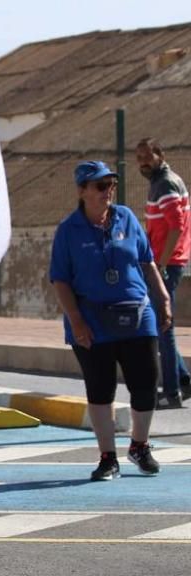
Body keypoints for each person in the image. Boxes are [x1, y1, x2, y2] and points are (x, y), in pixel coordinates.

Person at [49, 160, 169, 481]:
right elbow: (60, 280)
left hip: (137, 314)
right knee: (100, 389)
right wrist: (76, 321)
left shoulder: (126, 218)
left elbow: (147, 261)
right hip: (92, 320)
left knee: (146, 384)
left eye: (111, 184)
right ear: (82, 191)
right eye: (101, 186)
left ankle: (139, 446)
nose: (108, 191)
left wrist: (163, 299)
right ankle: (107, 458)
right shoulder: (68, 231)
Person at [136, 138, 191, 408]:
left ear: (160, 154)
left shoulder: (166, 183)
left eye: (147, 156)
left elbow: (176, 226)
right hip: (165, 262)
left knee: (163, 326)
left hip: (167, 264)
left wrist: (162, 264)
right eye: (139, 158)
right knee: (162, 324)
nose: (143, 162)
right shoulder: (159, 183)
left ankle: (171, 391)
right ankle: (182, 381)